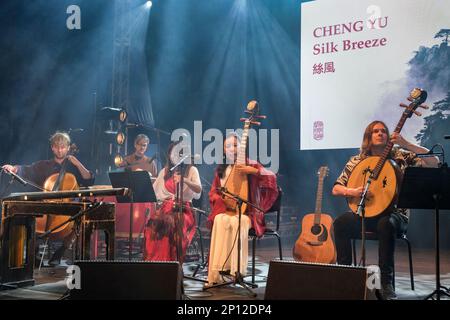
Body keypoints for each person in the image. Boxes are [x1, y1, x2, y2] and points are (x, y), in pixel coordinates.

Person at [332, 120, 439, 300]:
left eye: (383, 131)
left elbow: (434, 162)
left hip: (396, 216)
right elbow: (336, 188)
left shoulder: (400, 156)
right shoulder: (357, 161)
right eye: (376, 131)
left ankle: (386, 283)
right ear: (369, 136)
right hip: (366, 213)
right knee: (341, 223)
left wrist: (406, 144)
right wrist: (353, 191)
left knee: (385, 224)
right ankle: (346, 274)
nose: (380, 133)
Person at [2, 131, 95, 266]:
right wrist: (14, 168)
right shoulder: (44, 165)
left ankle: (60, 251)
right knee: (30, 215)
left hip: (69, 207)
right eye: (56, 146)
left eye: (63, 147)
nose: (59, 149)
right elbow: (27, 169)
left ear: (68, 148)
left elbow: (89, 180)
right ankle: (33, 255)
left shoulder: (74, 166)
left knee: (81, 218)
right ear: (52, 147)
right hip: (47, 206)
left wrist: (78, 164)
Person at [206, 133, 278, 286]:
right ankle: (218, 271)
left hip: (248, 213)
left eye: (235, 145)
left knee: (239, 222)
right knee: (220, 219)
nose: (232, 149)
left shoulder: (250, 164)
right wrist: (222, 200)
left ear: (241, 147)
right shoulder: (221, 170)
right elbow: (213, 192)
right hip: (227, 211)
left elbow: (271, 176)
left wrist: (253, 171)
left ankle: (237, 270)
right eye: (228, 146)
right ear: (224, 151)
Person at [143, 142, 202, 262]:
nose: (173, 156)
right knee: (152, 223)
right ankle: (154, 261)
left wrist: (184, 180)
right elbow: (153, 190)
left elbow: (198, 189)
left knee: (170, 223)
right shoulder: (165, 171)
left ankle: (170, 261)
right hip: (166, 208)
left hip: (184, 209)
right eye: (171, 153)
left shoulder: (191, 170)